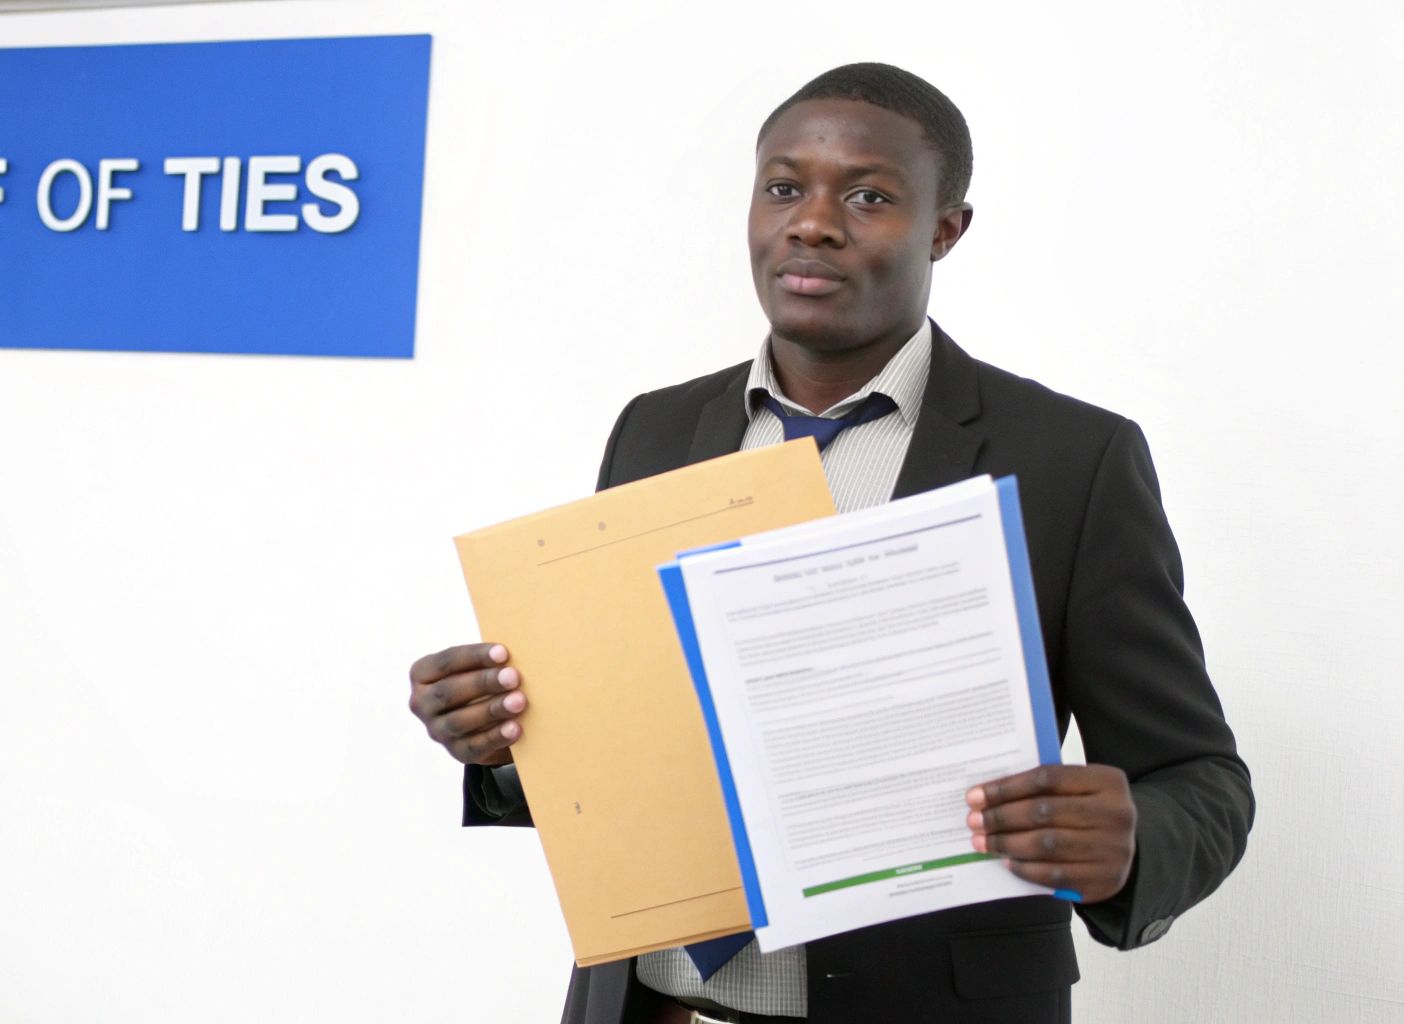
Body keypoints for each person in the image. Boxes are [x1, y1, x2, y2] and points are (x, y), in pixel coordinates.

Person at [406, 63, 1252, 1024]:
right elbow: (639, 757)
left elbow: (1202, 780)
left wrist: (1133, 843)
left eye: (868, 197)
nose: (812, 223)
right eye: (783, 188)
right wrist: (503, 741)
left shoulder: (1070, 459)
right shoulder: (655, 429)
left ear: (946, 229)